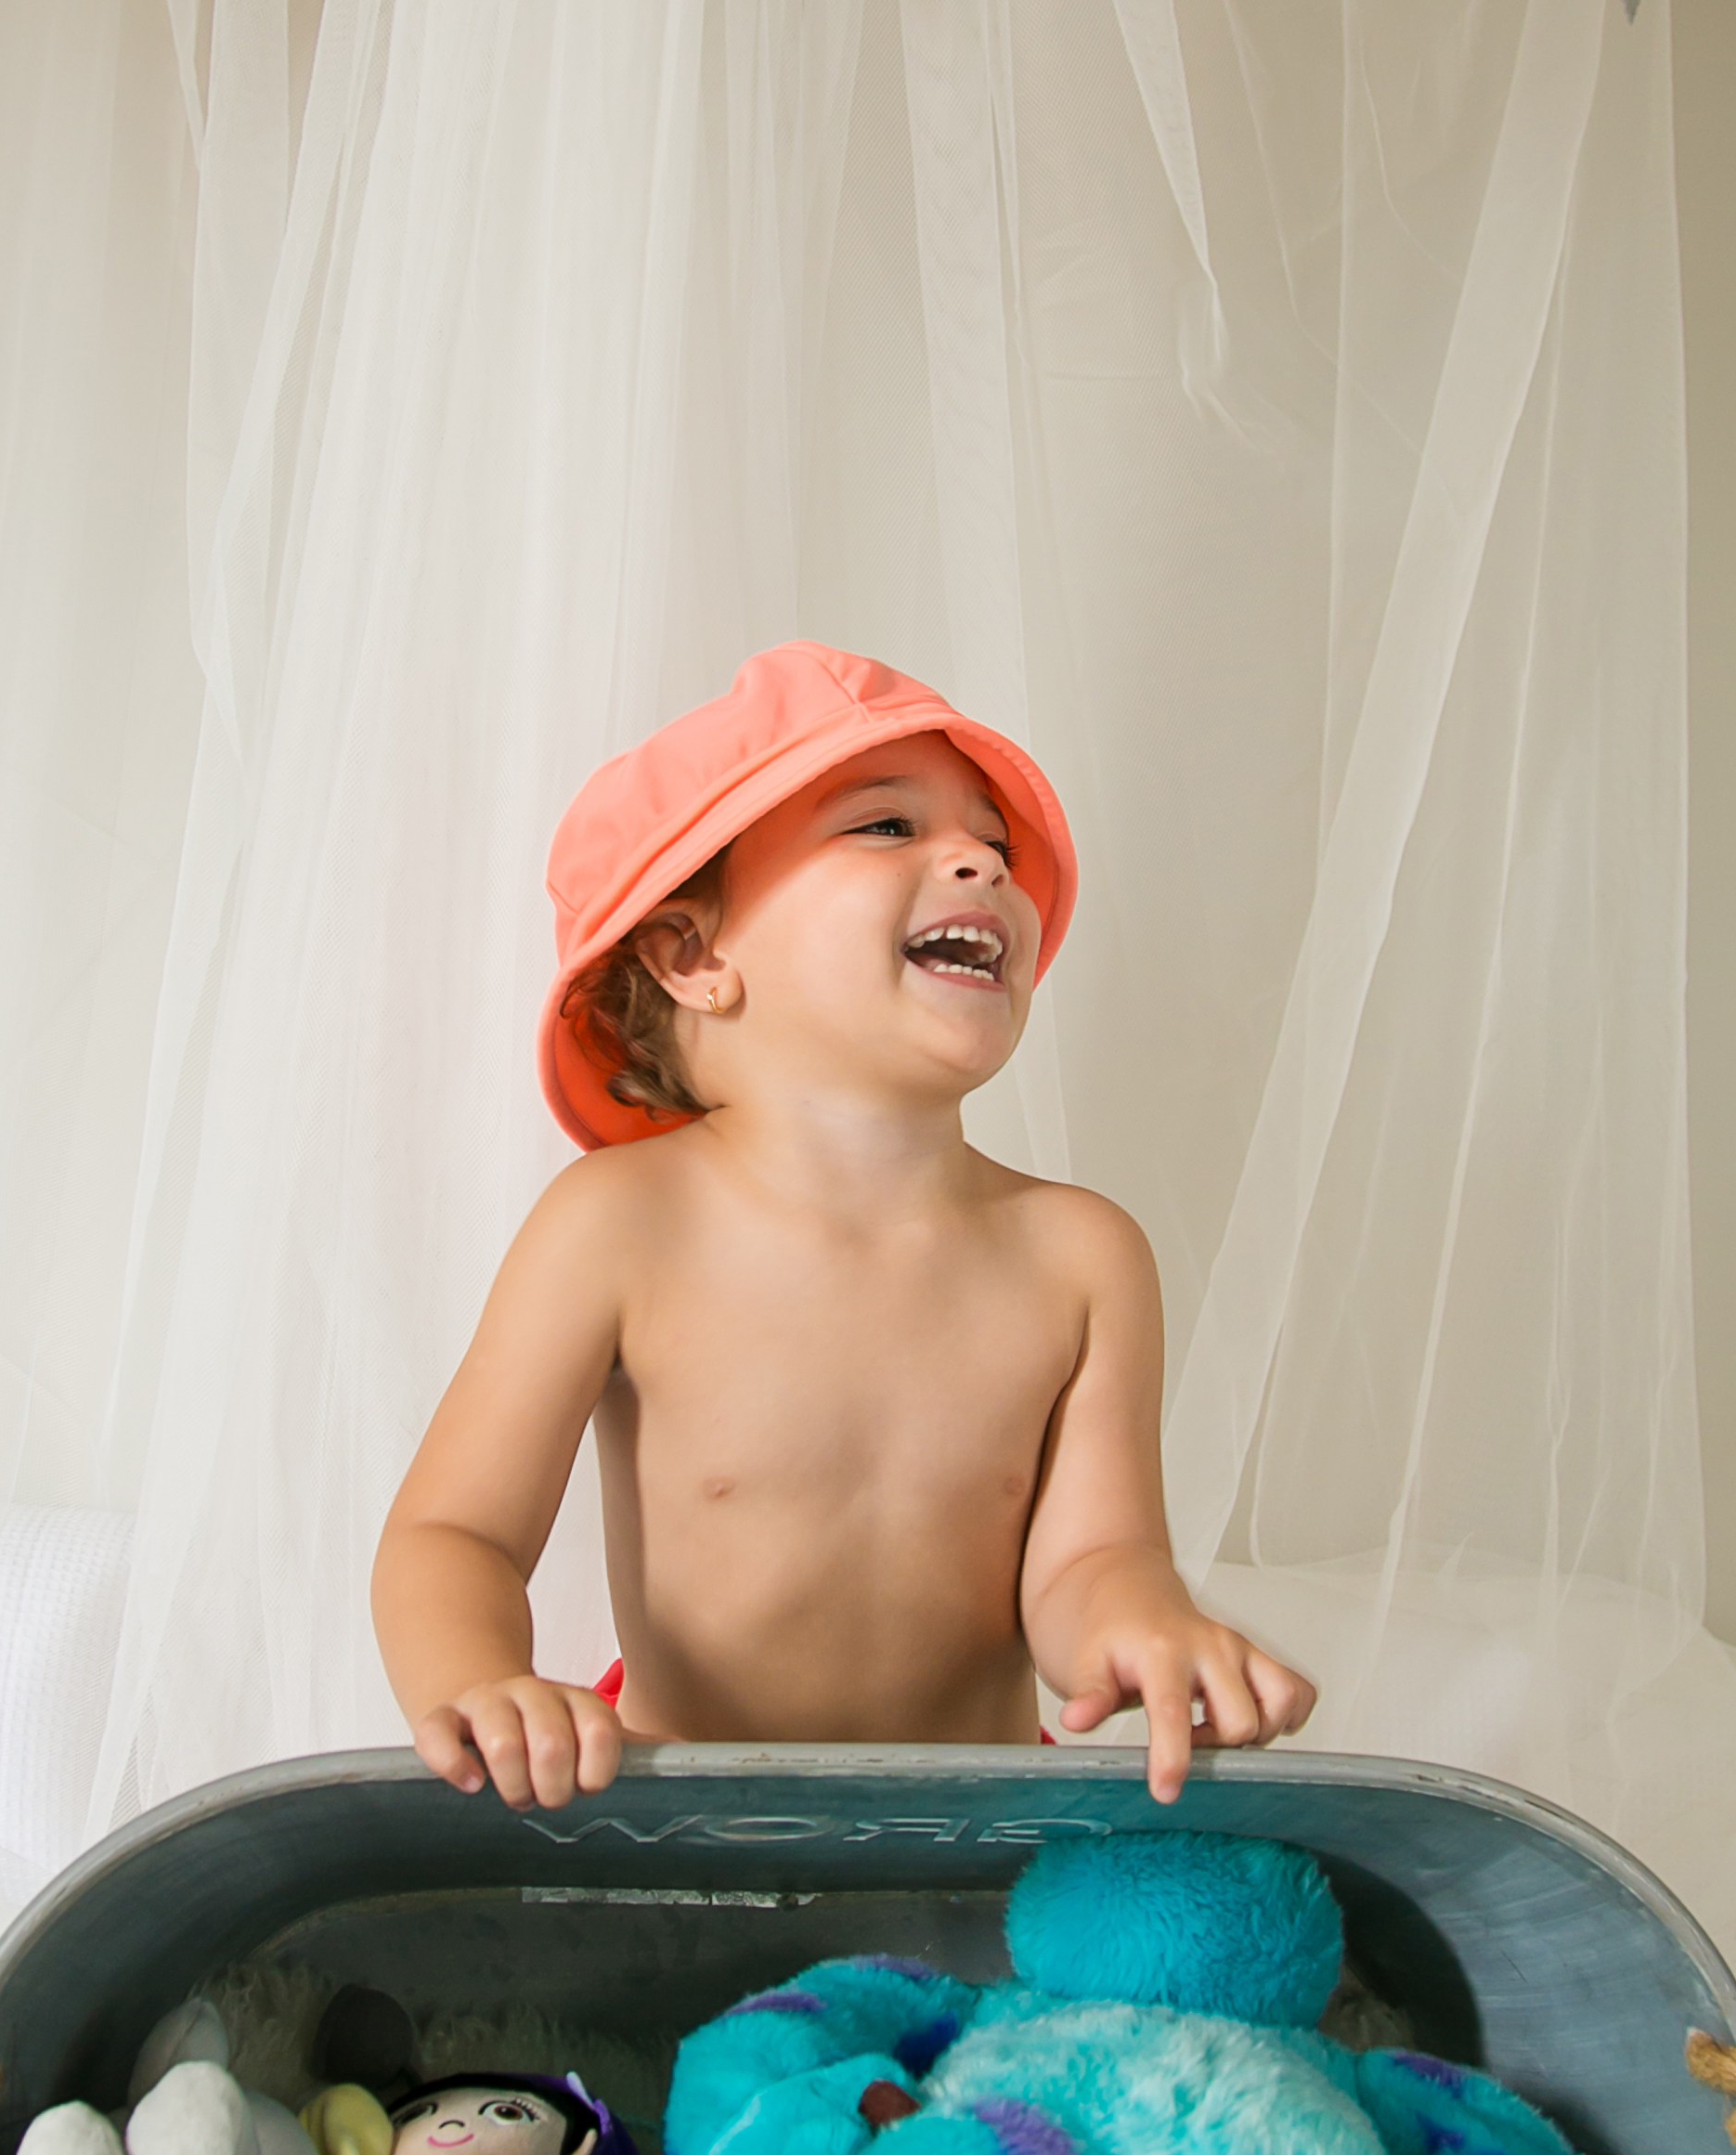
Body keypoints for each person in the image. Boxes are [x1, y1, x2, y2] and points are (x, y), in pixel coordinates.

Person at [375, 643, 1315, 1811]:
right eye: (884, 825)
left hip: (975, 1828)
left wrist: (1141, 1625)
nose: (981, 861)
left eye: (995, 844)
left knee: (1214, 1902)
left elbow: (1090, 1560)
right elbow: (454, 1532)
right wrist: (482, 1684)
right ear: (693, 954)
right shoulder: (619, 1226)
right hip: (679, 1822)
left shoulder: (1079, 1257)